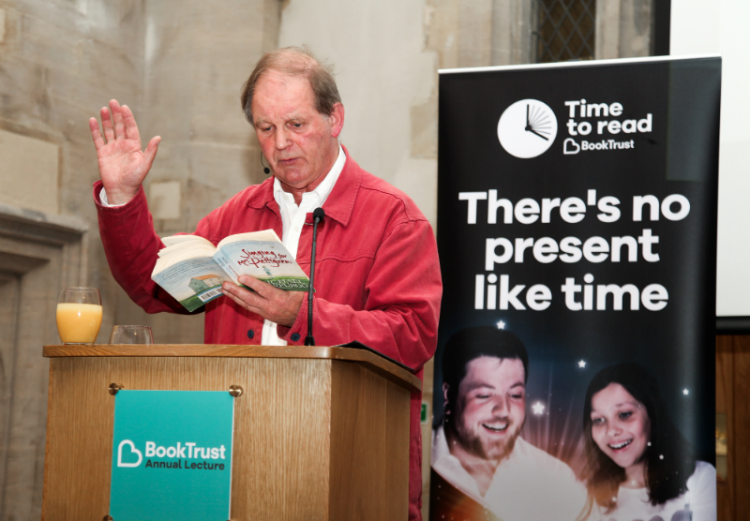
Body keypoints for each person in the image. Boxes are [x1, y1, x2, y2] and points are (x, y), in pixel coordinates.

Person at [89, 47, 442, 520]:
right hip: (234, 460)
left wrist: (303, 315)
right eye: (266, 128)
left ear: (335, 118)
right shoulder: (233, 217)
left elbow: (414, 334)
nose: (281, 144)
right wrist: (122, 195)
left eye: (296, 124)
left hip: (351, 464)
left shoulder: (394, 217)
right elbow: (148, 286)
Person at [431, 326, 586, 521]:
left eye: (515, 395)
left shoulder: (556, 479)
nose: (503, 410)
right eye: (485, 395)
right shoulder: (414, 461)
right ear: (448, 395)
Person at [580, 362, 716, 521]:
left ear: (653, 413)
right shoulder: (587, 496)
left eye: (624, 414)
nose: (611, 430)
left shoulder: (700, 478)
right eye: (599, 420)